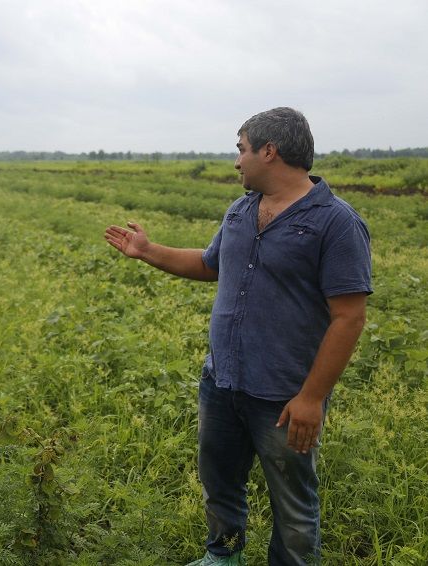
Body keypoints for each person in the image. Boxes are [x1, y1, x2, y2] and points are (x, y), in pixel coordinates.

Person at [105, 107, 372, 565]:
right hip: (222, 382)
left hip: (284, 395)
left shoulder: (336, 222)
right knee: (220, 483)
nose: (236, 161)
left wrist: (311, 398)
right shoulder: (241, 210)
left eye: (241, 149)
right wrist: (148, 251)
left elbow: (349, 317)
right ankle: (223, 556)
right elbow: (209, 264)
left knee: (293, 503)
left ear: (269, 151)